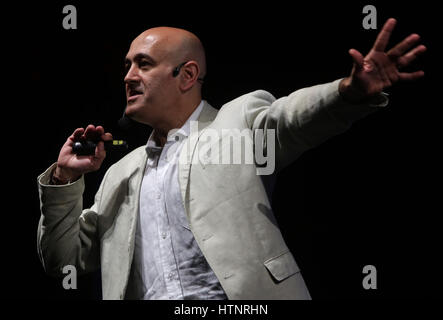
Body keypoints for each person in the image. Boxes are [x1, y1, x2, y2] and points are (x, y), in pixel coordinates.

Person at [37, 19, 426, 300]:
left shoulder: (236, 124)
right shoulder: (120, 173)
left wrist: (348, 91)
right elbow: (64, 261)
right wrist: (63, 179)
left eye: (144, 63)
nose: (129, 76)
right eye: (126, 66)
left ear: (187, 75)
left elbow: (291, 119)